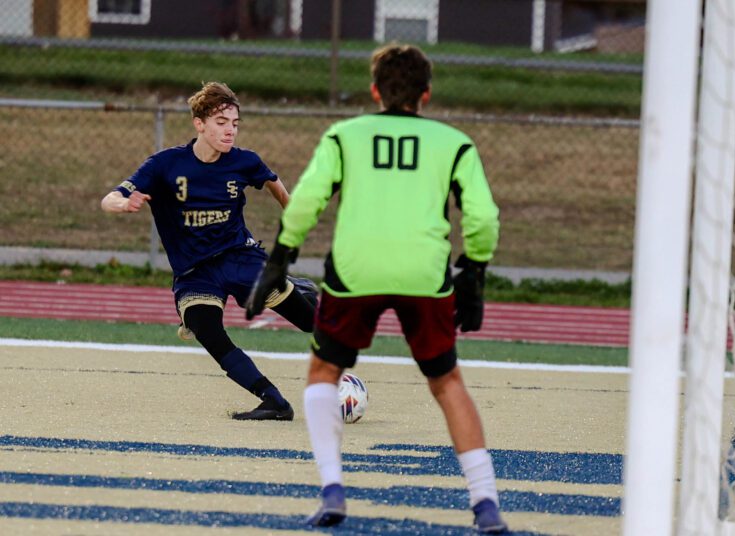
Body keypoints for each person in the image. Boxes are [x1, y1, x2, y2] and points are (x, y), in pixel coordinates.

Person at [247, 45, 507, 532]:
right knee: (447, 382)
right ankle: (486, 504)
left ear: (374, 91)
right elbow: (483, 216)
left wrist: (280, 258)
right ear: (426, 94)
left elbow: (307, 200)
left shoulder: (345, 136)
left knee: (324, 371)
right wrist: (474, 272)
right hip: (424, 274)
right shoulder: (454, 143)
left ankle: (332, 491)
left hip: (356, 271)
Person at [101, 81, 317, 421]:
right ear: (199, 124)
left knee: (309, 323)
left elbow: (274, 185)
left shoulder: (244, 161)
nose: (230, 130)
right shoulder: (165, 165)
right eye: (221, 122)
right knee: (206, 329)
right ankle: (274, 401)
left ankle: (300, 290)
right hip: (195, 273)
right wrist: (123, 204)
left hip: (240, 259)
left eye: (234, 123)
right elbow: (109, 198)